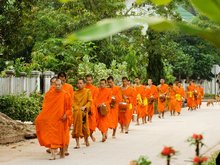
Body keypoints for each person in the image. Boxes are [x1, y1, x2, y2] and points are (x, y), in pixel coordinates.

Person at [35, 79, 72, 160]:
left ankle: (62, 151)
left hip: (61, 119)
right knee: (51, 135)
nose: (57, 86)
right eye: (56, 84)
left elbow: (69, 108)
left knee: (60, 136)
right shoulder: (49, 94)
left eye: (59, 85)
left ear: (62, 85)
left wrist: (66, 115)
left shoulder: (66, 95)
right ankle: (53, 154)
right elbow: (45, 106)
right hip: (51, 118)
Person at [72, 78, 92, 149]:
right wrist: (77, 108)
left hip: (84, 112)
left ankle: (86, 140)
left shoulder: (87, 91)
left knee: (85, 127)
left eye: (81, 83)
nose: (79, 85)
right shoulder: (74, 93)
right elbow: (73, 103)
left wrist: (85, 107)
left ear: (84, 84)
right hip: (77, 112)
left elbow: (90, 101)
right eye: (78, 83)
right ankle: (77, 144)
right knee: (76, 127)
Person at [57, 72, 74, 155]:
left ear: (65, 79)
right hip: (58, 114)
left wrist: (67, 113)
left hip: (67, 113)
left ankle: (66, 149)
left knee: (66, 132)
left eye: (63, 79)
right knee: (58, 132)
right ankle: (59, 149)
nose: (62, 81)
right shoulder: (55, 87)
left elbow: (71, 101)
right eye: (60, 79)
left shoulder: (69, 87)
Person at [85, 74, 98, 142]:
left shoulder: (95, 89)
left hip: (92, 108)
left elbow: (95, 99)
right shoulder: (83, 88)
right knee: (85, 124)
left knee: (92, 125)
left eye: (90, 80)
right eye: (87, 80)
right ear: (85, 80)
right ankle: (86, 139)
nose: (88, 81)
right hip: (84, 108)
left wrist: (90, 105)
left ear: (92, 80)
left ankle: (91, 134)